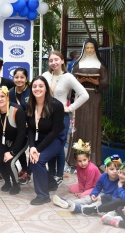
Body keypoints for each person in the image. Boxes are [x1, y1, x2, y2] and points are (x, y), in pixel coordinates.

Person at [42, 51, 89, 186]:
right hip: (47, 116)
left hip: (62, 117)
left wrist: (70, 108)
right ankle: (51, 174)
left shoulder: (68, 77)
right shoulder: (45, 76)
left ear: (62, 61)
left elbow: (84, 95)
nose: (53, 63)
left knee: (59, 147)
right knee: (49, 144)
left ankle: (59, 175)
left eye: (56, 59)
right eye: (51, 60)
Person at [68, 38, 109, 167]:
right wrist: (79, 81)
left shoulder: (101, 65)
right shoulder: (77, 64)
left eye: (92, 48)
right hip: (80, 97)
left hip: (94, 96)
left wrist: (96, 82)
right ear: (84, 49)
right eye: (87, 48)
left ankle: (93, 160)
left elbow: (105, 82)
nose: (89, 50)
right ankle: (76, 159)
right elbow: (71, 80)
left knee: (93, 124)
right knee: (79, 124)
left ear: (95, 49)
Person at [27, 76, 65, 205]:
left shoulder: (56, 105)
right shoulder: (30, 105)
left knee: (38, 160)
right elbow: (31, 129)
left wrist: (38, 150)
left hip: (56, 138)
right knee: (33, 159)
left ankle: (43, 195)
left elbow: (55, 131)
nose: (37, 89)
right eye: (34, 86)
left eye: (41, 86)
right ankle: (51, 183)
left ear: (46, 88)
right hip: (39, 137)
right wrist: (32, 147)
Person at [52, 155, 120, 212]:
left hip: (111, 199)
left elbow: (117, 196)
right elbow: (98, 187)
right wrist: (94, 194)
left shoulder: (120, 181)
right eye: (111, 169)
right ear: (106, 169)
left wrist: (102, 198)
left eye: (117, 169)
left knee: (97, 204)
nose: (115, 171)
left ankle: (80, 209)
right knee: (88, 198)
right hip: (103, 194)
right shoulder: (103, 176)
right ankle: (68, 202)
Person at [0, 86, 27, 195]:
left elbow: (22, 134)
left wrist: (12, 152)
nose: (0, 99)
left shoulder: (17, 110)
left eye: (2, 96)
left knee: (9, 162)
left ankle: (16, 184)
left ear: (7, 97)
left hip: (20, 141)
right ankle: (7, 182)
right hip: (4, 139)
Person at [52, 139, 101, 208]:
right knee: (72, 188)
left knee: (83, 195)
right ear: (76, 161)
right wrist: (81, 190)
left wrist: (81, 193)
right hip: (85, 185)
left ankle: (96, 195)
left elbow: (89, 184)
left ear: (89, 158)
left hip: (95, 187)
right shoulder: (78, 166)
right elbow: (80, 179)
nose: (82, 163)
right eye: (80, 161)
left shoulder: (91, 169)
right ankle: (84, 193)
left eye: (84, 160)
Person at [8, 68, 31, 185]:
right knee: (20, 148)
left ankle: (29, 170)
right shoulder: (11, 92)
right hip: (17, 127)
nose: (19, 80)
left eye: (22, 77)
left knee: (31, 149)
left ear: (26, 78)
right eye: (16, 77)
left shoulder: (31, 91)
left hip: (31, 127)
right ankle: (24, 170)